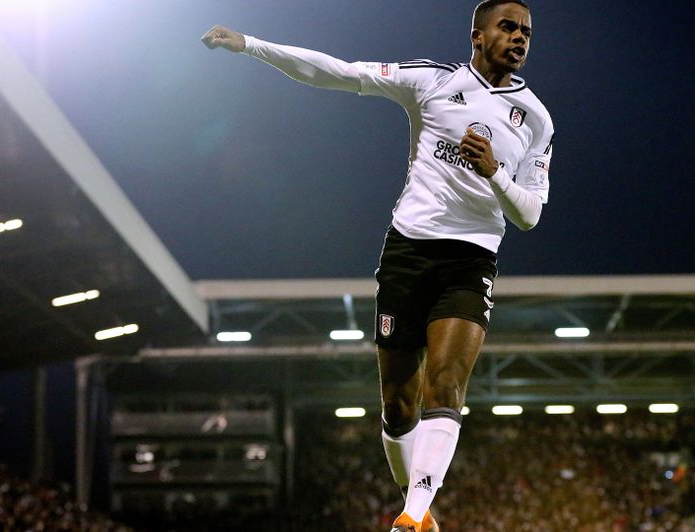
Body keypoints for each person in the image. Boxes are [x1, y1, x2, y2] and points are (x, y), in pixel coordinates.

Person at [202, 1, 552, 529]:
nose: (520, 37)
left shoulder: (537, 120)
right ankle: (420, 515)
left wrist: (496, 172)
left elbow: (528, 214)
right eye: (508, 26)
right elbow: (338, 72)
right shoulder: (431, 81)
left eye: (526, 30)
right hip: (407, 251)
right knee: (397, 405)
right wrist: (251, 45)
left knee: (446, 385)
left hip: (470, 259)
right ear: (477, 35)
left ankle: (412, 516)